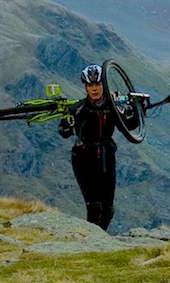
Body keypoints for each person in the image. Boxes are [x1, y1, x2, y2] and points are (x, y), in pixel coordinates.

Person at [57, 63, 136, 230]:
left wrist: (138, 110)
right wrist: (65, 125)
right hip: (84, 158)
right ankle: (89, 241)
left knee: (108, 210)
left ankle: (100, 240)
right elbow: (64, 132)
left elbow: (129, 126)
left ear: (103, 85)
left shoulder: (113, 108)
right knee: (95, 207)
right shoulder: (78, 109)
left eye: (97, 84)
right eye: (90, 85)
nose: (94, 89)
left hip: (107, 157)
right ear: (85, 87)